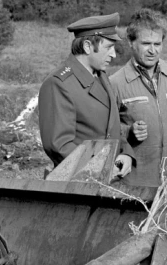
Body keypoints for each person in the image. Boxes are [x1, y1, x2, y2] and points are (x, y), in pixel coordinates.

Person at [38, 13, 134, 178]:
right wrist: (100, 168)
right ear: (88, 46)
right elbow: (59, 145)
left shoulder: (101, 76)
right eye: (108, 47)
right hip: (77, 185)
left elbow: (111, 127)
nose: (114, 55)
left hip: (106, 181)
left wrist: (126, 153)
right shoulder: (59, 84)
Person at [110, 8, 167, 186]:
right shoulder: (115, 83)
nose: (152, 51)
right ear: (131, 43)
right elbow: (106, 130)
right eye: (146, 43)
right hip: (136, 182)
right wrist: (129, 132)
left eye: (157, 44)